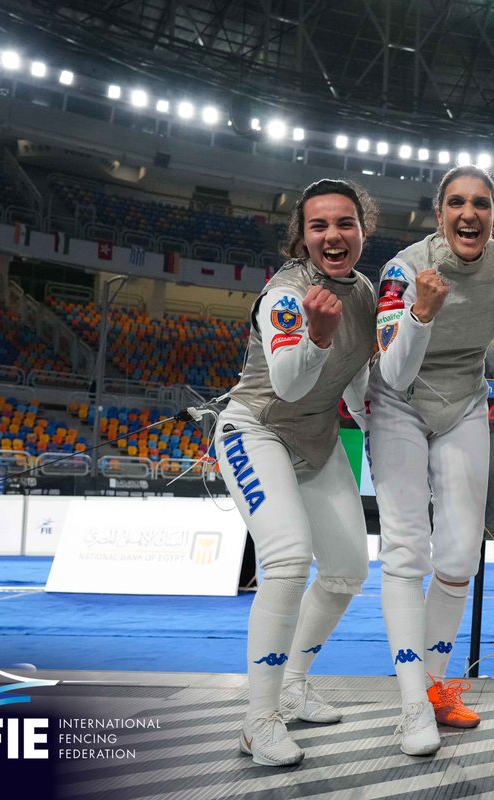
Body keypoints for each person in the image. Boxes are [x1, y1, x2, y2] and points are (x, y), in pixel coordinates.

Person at [215, 178, 379, 767]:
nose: (333, 235)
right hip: (254, 430)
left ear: (363, 230)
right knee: (286, 560)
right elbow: (288, 382)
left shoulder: (364, 292)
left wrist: (378, 436)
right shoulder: (286, 293)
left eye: (345, 224)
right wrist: (316, 337)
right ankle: (257, 722)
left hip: (318, 439)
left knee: (346, 571)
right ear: (302, 237)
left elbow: (358, 380)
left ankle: (293, 683)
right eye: (319, 226)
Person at [367, 165, 494, 756]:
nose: (469, 214)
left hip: (465, 402)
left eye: (481, 204)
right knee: (407, 550)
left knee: (458, 556)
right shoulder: (403, 270)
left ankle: (434, 689)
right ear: (439, 214)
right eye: (456, 203)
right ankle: (410, 708)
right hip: (399, 403)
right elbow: (395, 371)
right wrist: (421, 314)